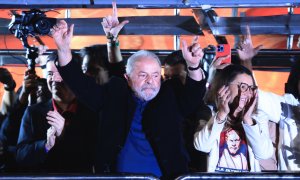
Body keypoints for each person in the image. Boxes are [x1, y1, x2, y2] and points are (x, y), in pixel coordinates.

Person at [51, 3, 206, 178]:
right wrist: (63, 50)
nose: (150, 82)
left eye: (155, 75)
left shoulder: (169, 94)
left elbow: (194, 95)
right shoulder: (115, 93)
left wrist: (194, 66)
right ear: (127, 78)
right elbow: (80, 85)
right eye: (142, 75)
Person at [16, 52, 97, 173]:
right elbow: (20, 156)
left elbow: (95, 157)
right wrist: (45, 146)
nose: (54, 79)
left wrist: (64, 134)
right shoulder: (34, 112)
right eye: (50, 74)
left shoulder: (92, 112)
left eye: (61, 73)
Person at [194, 64, 273, 172]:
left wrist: (247, 120)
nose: (247, 93)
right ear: (224, 87)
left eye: (251, 88)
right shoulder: (208, 112)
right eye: (243, 86)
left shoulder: (258, 117)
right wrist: (221, 114)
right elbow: (202, 146)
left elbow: (264, 154)